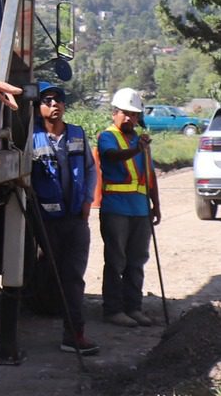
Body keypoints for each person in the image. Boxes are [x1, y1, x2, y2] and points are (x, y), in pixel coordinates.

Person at [28, 84, 98, 356]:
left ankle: (74, 335)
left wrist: (87, 201)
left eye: (59, 100)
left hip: (75, 220)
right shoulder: (30, 138)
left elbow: (90, 170)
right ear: (39, 107)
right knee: (48, 274)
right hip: (46, 220)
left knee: (73, 278)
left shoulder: (77, 134)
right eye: (48, 100)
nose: (55, 105)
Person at [95, 86, 161, 328]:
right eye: (124, 113)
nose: (129, 118)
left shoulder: (139, 140)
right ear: (114, 113)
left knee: (137, 261)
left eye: (133, 114)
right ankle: (113, 309)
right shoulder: (107, 136)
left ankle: (133, 307)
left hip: (141, 209)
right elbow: (112, 156)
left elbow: (150, 175)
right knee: (116, 260)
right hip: (116, 209)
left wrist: (156, 205)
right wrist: (136, 149)